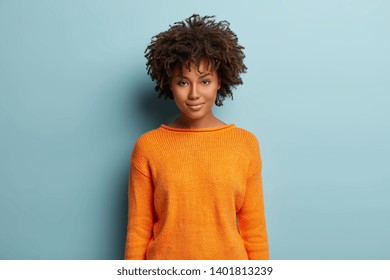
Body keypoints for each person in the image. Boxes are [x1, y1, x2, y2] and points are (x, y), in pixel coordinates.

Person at [124, 14, 269, 260]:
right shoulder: (148, 147)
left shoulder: (245, 144)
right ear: (169, 83)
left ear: (219, 81)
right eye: (183, 82)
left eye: (204, 81)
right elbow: (138, 230)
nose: (194, 93)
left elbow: (254, 229)